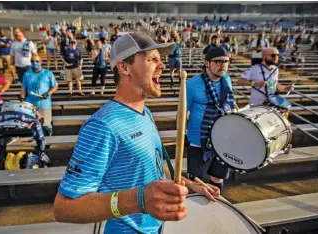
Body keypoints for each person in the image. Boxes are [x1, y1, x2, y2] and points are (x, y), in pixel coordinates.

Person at [53, 32, 220, 233]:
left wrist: (189, 184)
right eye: (152, 59)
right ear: (124, 67)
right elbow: (64, 207)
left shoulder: (145, 113)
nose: (162, 65)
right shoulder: (103, 125)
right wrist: (139, 200)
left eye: (161, 59)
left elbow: (153, 169)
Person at [186, 47, 235, 192]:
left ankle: (216, 207)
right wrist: (182, 136)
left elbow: (228, 103)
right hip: (198, 141)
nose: (223, 65)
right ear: (207, 63)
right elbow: (182, 113)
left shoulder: (226, 79)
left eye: (226, 61)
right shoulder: (192, 84)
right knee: (197, 182)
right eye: (218, 62)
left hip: (222, 137)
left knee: (218, 177)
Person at [20, 55, 58, 136]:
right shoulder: (27, 74)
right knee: (33, 125)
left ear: (41, 62)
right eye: (32, 61)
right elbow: (23, 87)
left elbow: (55, 86)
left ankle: (48, 139)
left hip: (44, 104)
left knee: (46, 124)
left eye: (37, 61)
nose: (35, 63)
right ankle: (38, 141)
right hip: (31, 104)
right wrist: (22, 98)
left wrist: (48, 93)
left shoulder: (48, 73)